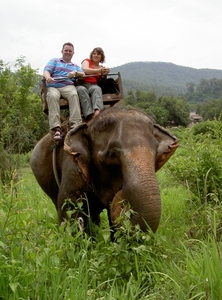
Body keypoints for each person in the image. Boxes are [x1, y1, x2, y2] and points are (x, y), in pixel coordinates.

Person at [43, 42, 85, 141]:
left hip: (68, 85)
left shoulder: (75, 66)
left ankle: (75, 124)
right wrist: (48, 77)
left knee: (74, 95)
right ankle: (56, 128)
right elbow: (46, 71)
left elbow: (82, 74)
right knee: (52, 96)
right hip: (54, 85)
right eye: (66, 50)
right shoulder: (55, 60)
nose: (68, 52)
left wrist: (75, 73)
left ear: (73, 53)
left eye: (70, 51)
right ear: (62, 51)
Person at [76, 47, 110, 120]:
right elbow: (85, 70)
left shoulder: (101, 67)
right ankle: (89, 114)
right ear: (91, 55)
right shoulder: (87, 61)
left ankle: (98, 111)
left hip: (93, 85)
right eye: (94, 53)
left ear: (101, 57)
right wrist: (99, 70)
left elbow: (101, 79)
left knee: (97, 89)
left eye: (98, 54)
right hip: (81, 83)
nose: (96, 55)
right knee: (81, 90)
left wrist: (105, 73)